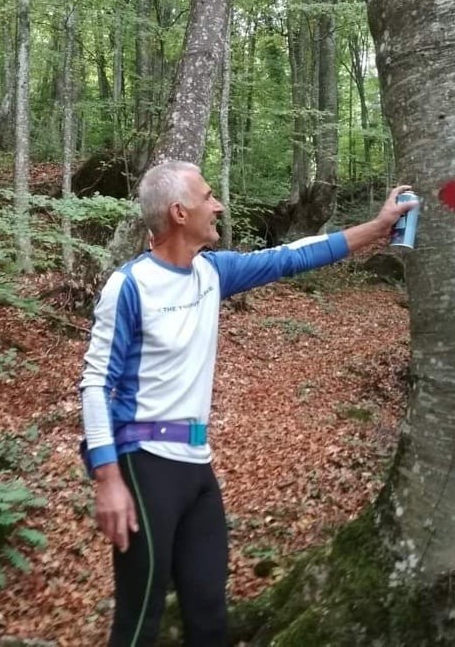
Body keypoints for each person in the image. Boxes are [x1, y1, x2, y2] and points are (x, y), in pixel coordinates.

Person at [79, 161, 418, 645]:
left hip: (197, 468)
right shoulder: (129, 286)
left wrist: (378, 227)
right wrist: (107, 479)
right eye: (208, 196)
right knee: (138, 623)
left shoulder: (212, 273)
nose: (217, 205)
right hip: (142, 467)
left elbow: (293, 256)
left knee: (211, 617)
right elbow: (95, 384)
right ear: (179, 212)